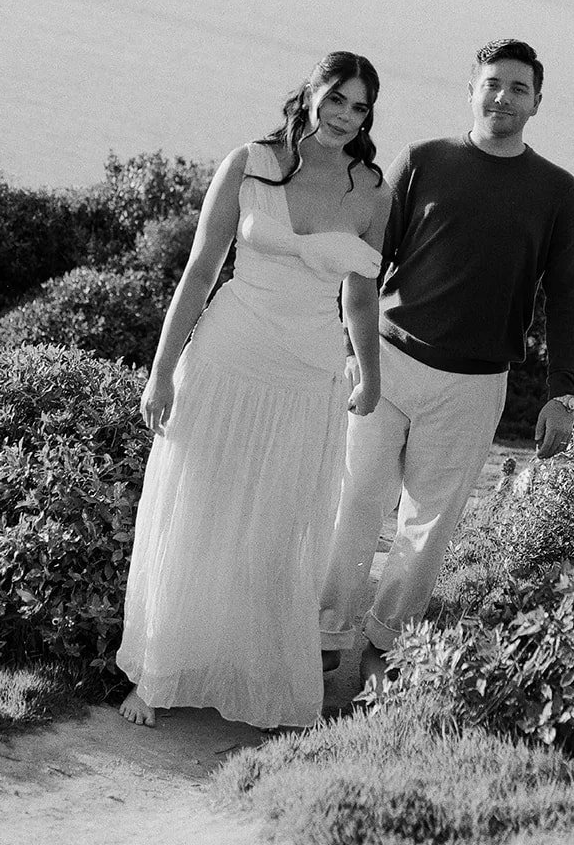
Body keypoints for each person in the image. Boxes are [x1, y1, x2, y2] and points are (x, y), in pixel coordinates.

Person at [117, 51, 391, 730]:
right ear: (310, 93)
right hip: (226, 360)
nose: (344, 116)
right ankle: (157, 677)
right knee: (198, 513)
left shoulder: (374, 191)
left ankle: (256, 678)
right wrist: (160, 370)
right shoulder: (250, 161)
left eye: (359, 108)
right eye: (336, 98)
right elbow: (201, 269)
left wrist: (372, 371)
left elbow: (360, 298)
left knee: (279, 528)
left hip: (309, 375)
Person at [319, 38, 574, 686]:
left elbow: (568, 291)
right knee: (356, 502)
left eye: (519, 88)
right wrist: (342, 343)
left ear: (538, 103)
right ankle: (325, 642)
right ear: (471, 89)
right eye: (493, 83)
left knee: (427, 528)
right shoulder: (424, 161)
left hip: (474, 384)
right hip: (387, 363)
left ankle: (383, 651)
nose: (504, 97)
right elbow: (372, 259)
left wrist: (563, 392)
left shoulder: (557, 191)